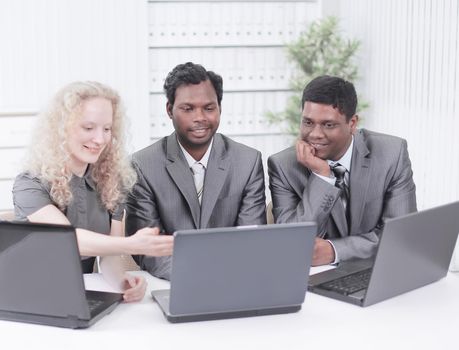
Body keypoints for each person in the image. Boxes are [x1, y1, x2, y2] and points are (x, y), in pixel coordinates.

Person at [13, 81, 174, 302]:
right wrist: (132, 244)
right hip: (31, 294)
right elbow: (67, 241)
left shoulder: (110, 182)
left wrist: (123, 283)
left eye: (107, 129)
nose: (100, 139)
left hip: (82, 294)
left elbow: (109, 258)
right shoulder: (29, 183)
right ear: (61, 128)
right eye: (88, 128)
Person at [125, 62, 267, 279]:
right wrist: (197, 277)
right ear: (169, 110)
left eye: (209, 108)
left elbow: (250, 241)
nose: (200, 117)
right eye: (188, 108)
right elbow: (149, 250)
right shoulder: (142, 165)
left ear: (220, 108)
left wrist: (225, 277)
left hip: (234, 280)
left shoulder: (247, 162)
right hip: (173, 283)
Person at [268, 75, 417, 265]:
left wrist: (335, 251)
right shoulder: (283, 166)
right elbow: (292, 244)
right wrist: (322, 177)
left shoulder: (391, 154)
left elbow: (402, 237)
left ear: (352, 123)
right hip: (314, 283)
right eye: (308, 122)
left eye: (328, 125)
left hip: (376, 273)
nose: (315, 134)